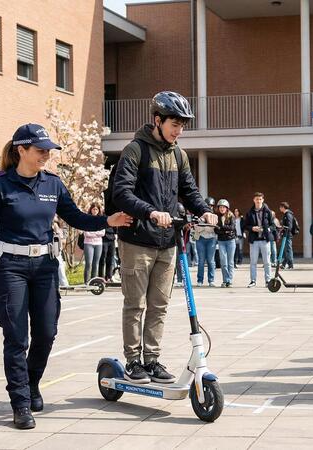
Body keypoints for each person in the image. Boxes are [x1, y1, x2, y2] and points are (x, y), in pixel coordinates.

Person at [0, 123, 133, 429]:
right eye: (40, 150)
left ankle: (31, 383)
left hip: (44, 267)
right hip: (10, 267)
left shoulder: (53, 184)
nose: (46, 155)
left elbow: (75, 216)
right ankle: (20, 403)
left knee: (46, 332)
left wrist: (107, 220)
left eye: (48, 151)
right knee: (16, 337)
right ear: (22, 150)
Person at [111, 91, 215, 385]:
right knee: (135, 304)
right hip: (137, 240)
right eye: (174, 124)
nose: (179, 131)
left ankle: (152, 360)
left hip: (167, 242)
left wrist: (205, 211)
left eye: (182, 126)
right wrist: (150, 212)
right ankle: (133, 362)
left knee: (160, 304)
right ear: (157, 120)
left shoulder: (178, 155)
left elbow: (190, 190)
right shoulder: (135, 151)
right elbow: (122, 193)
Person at [243, 192, 274, 287]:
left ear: (263, 200)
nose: (258, 201)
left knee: (267, 262)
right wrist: (252, 228)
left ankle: (268, 281)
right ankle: (253, 281)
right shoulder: (249, 212)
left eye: (260, 199)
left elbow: (273, 225)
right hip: (254, 240)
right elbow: (245, 226)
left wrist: (267, 229)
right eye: (257, 199)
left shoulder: (268, 211)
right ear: (254, 200)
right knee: (253, 262)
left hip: (265, 240)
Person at [195, 197, 218, 287]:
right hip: (200, 239)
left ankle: (211, 280)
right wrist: (207, 227)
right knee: (201, 261)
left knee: (211, 261)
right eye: (208, 205)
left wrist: (203, 227)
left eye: (211, 205)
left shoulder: (215, 216)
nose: (210, 207)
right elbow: (196, 228)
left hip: (211, 240)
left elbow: (213, 229)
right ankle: (200, 280)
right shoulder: (199, 215)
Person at [215, 199, 236, 287]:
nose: (222, 209)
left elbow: (232, 228)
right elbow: (216, 230)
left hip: (231, 241)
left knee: (230, 262)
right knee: (223, 262)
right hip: (221, 241)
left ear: (227, 208)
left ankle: (229, 280)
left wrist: (222, 227)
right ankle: (225, 280)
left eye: (224, 207)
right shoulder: (216, 217)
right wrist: (224, 230)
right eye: (220, 207)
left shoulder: (231, 216)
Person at [82, 203, 106, 283]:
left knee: (96, 264)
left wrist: (93, 232)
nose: (95, 211)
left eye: (96, 209)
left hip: (98, 244)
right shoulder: (87, 219)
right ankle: (86, 282)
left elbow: (103, 233)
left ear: (99, 210)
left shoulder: (101, 219)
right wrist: (96, 232)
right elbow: (86, 233)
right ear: (91, 210)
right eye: (93, 209)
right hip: (88, 244)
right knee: (89, 263)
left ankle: (93, 281)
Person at [52, 217, 69, 287]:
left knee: (60, 266)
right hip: (49, 250)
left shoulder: (60, 230)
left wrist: (56, 231)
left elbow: (63, 242)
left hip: (57, 250)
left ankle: (64, 284)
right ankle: (57, 283)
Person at [279, 202, 296, 269]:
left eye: (280, 207)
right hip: (286, 234)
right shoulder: (287, 214)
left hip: (287, 234)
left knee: (288, 249)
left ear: (283, 207)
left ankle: (291, 264)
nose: (280, 208)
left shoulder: (288, 214)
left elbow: (289, 226)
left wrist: (283, 228)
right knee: (286, 249)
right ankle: (284, 264)